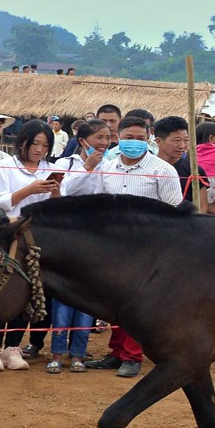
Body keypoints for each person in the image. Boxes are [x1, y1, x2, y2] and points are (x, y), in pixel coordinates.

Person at [61, 114, 180, 378]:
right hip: (113, 248)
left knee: (137, 305)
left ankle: (132, 356)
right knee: (114, 301)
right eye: (128, 138)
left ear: (149, 139)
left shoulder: (163, 170)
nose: (134, 143)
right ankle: (116, 353)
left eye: (140, 139)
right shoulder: (107, 166)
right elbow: (98, 203)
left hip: (147, 249)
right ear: (118, 138)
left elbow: (173, 212)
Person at [0, 119, 63, 371]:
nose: (39, 149)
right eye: (35, 143)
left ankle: (13, 347)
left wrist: (55, 191)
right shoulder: (6, 166)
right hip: (7, 237)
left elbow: (59, 208)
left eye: (45, 145)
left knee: (26, 294)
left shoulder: (51, 168)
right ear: (23, 142)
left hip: (37, 240)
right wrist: (30, 189)